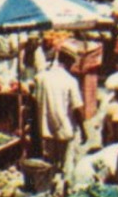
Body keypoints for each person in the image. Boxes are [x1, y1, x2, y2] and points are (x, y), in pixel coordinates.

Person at [33, 45, 83, 180]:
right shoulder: (71, 81)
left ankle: (49, 187)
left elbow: (35, 100)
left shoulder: (42, 78)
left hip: (46, 130)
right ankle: (63, 190)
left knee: (50, 164)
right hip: (66, 130)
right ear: (69, 62)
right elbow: (77, 108)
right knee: (66, 166)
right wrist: (84, 129)